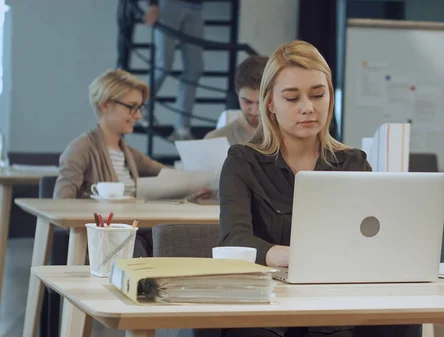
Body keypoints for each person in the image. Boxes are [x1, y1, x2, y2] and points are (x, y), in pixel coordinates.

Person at [218, 40, 421, 337]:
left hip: (339, 297)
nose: (308, 108)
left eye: (318, 94)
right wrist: (297, 256)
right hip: (268, 304)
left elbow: (374, 237)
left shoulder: (352, 162)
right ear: (270, 104)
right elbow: (234, 239)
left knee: (403, 321)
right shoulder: (242, 162)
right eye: (292, 98)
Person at [53, 68, 166, 257]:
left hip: (133, 229)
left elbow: (168, 175)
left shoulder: (129, 153)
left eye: (139, 108)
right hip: (105, 238)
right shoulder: (80, 149)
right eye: (132, 106)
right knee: (138, 247)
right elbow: (61, 205)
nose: (138, 116)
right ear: (105, 105)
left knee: (169, 240)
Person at [144, 0, 205, 141]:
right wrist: (152, 4)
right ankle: (141, 103)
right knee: (164, 63)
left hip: (196, 7)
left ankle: (182, 127)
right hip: (169, 4)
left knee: (194, 68)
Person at [204, 55, 269, 145]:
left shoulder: (291, 138)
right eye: (247, 101)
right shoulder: (214, 140)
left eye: (261, 103)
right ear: (237, 93)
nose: (254, 111)